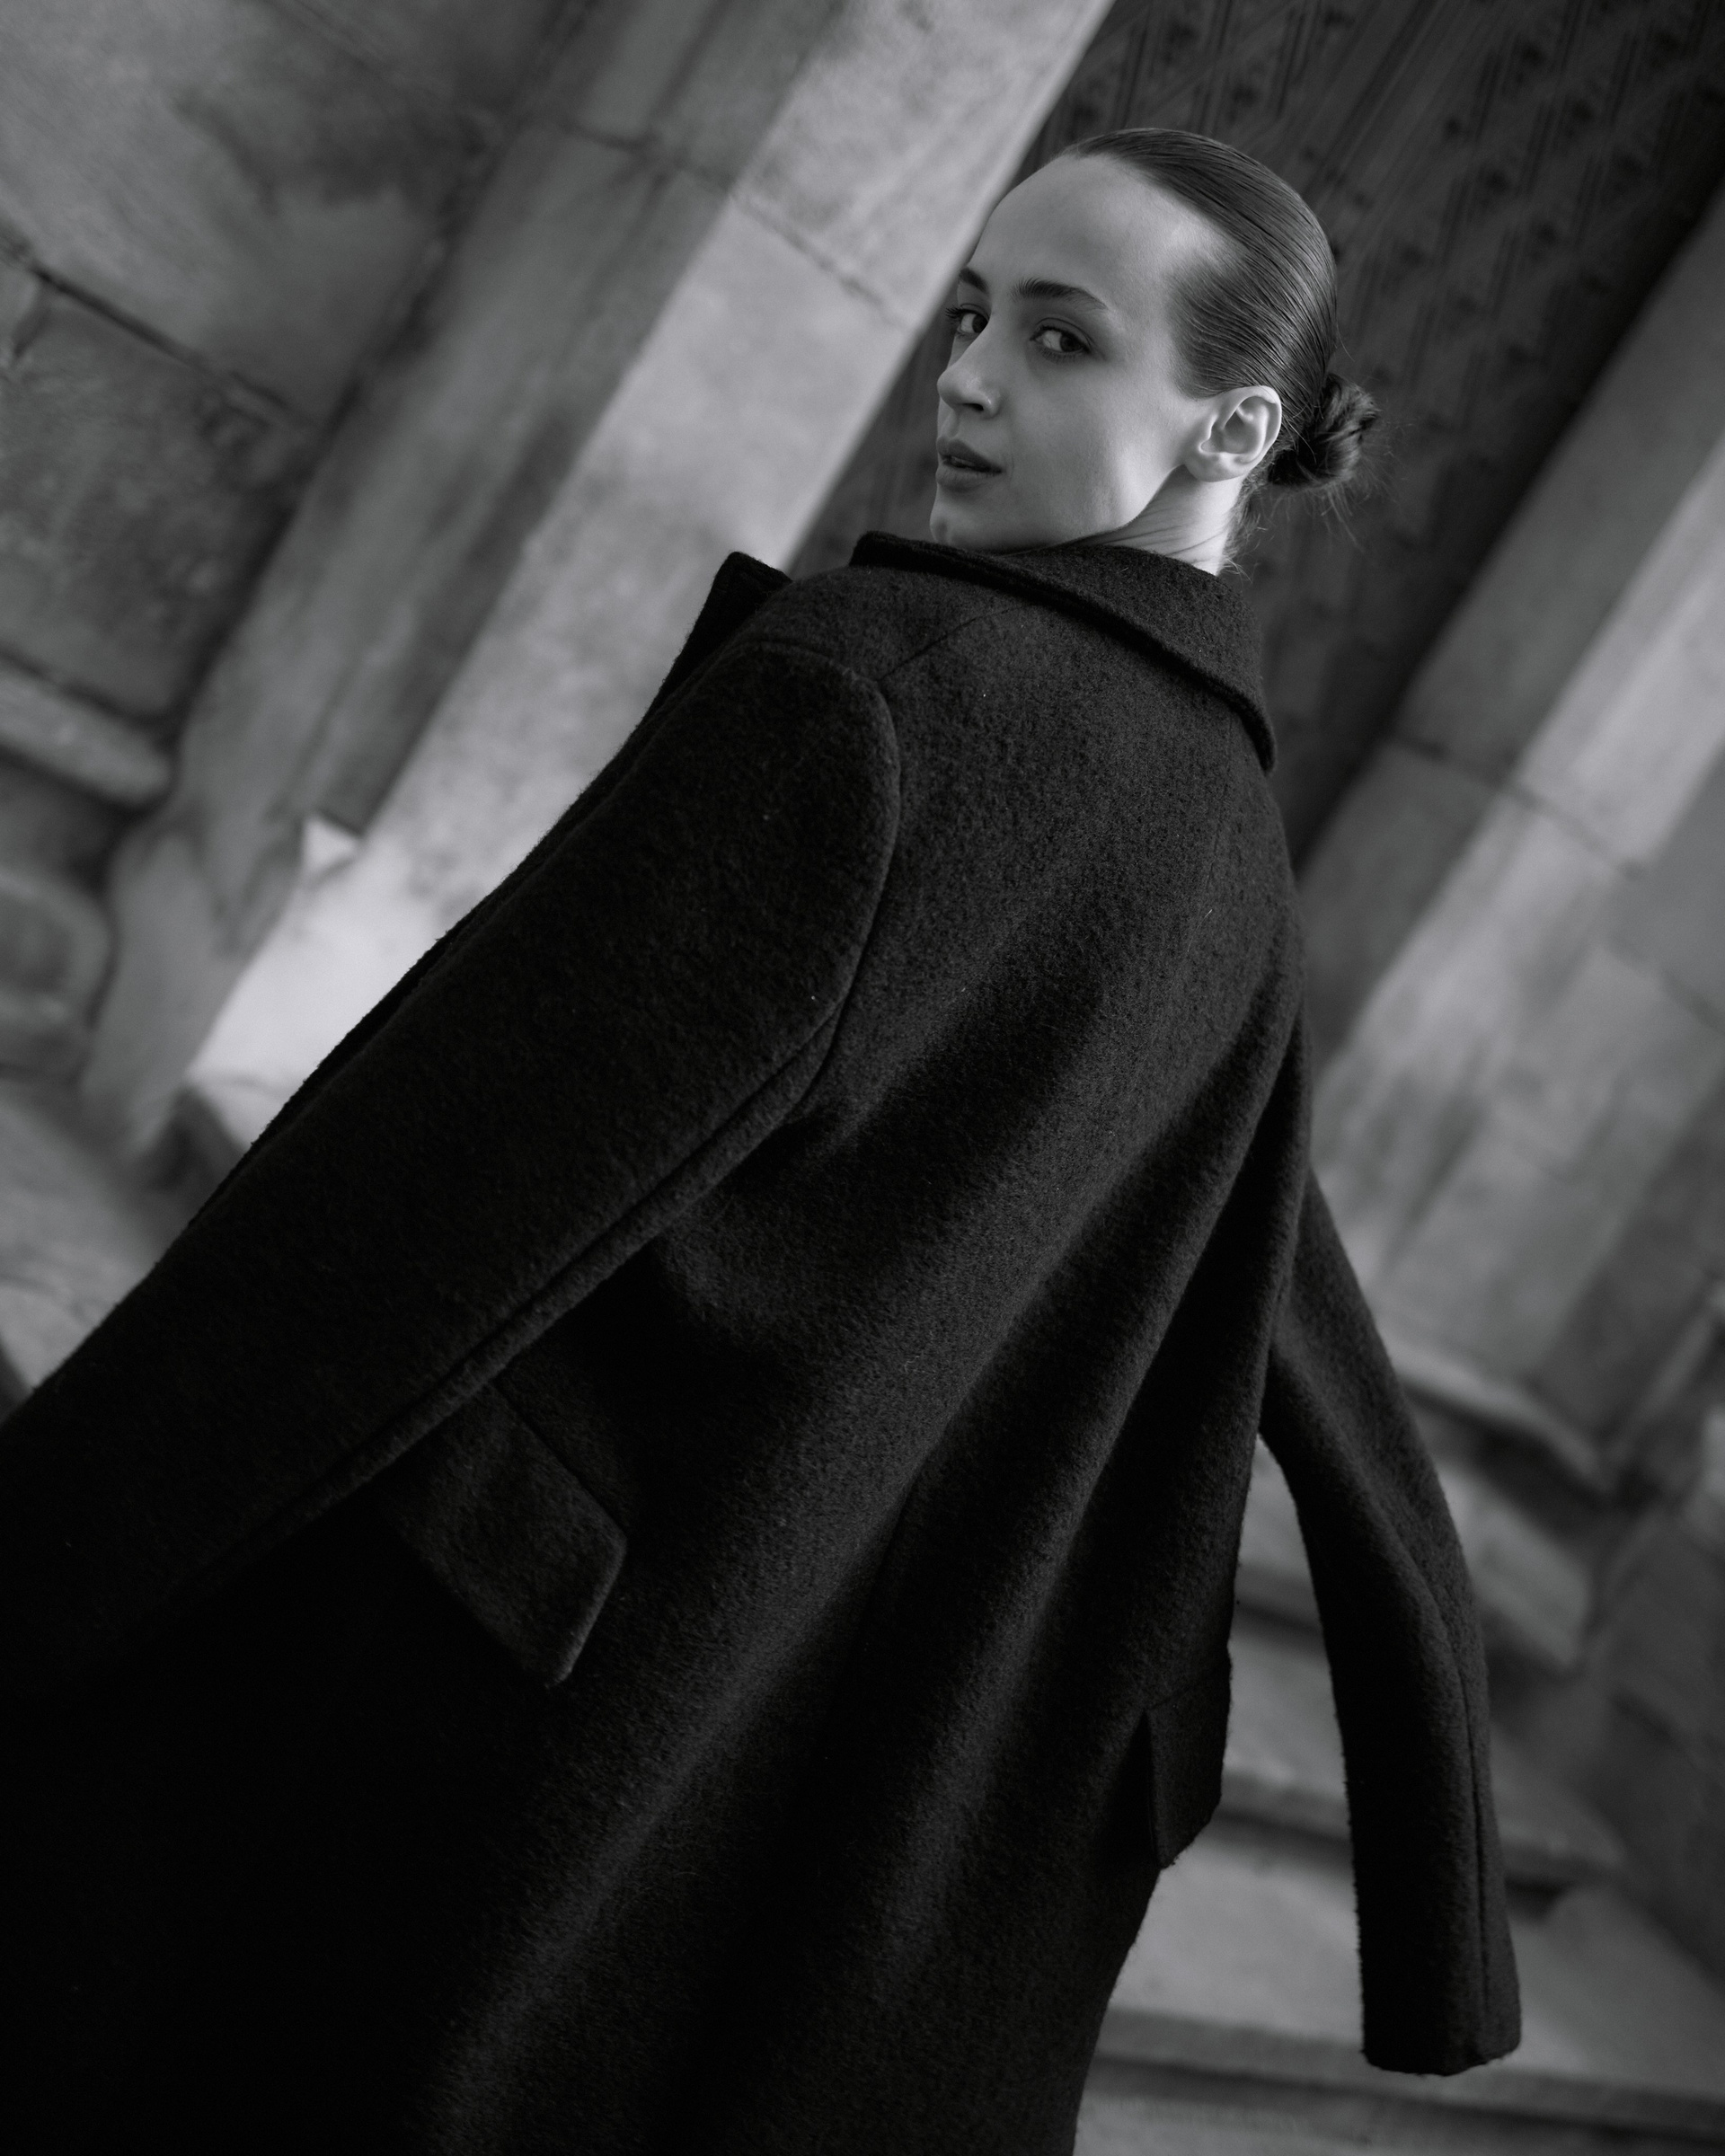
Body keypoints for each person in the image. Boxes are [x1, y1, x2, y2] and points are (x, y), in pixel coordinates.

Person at [0, 129, 1518, 2152]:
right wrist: (1441, 1867)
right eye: (969, 315)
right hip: (734, 1836)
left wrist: (49, 1547)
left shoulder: (872, 700)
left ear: (1231, 426)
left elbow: (407, 1219)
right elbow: (1304, 1336)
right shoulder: (1230, 854)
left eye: (1060, 339)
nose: (966, 379)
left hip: (440, 1756)